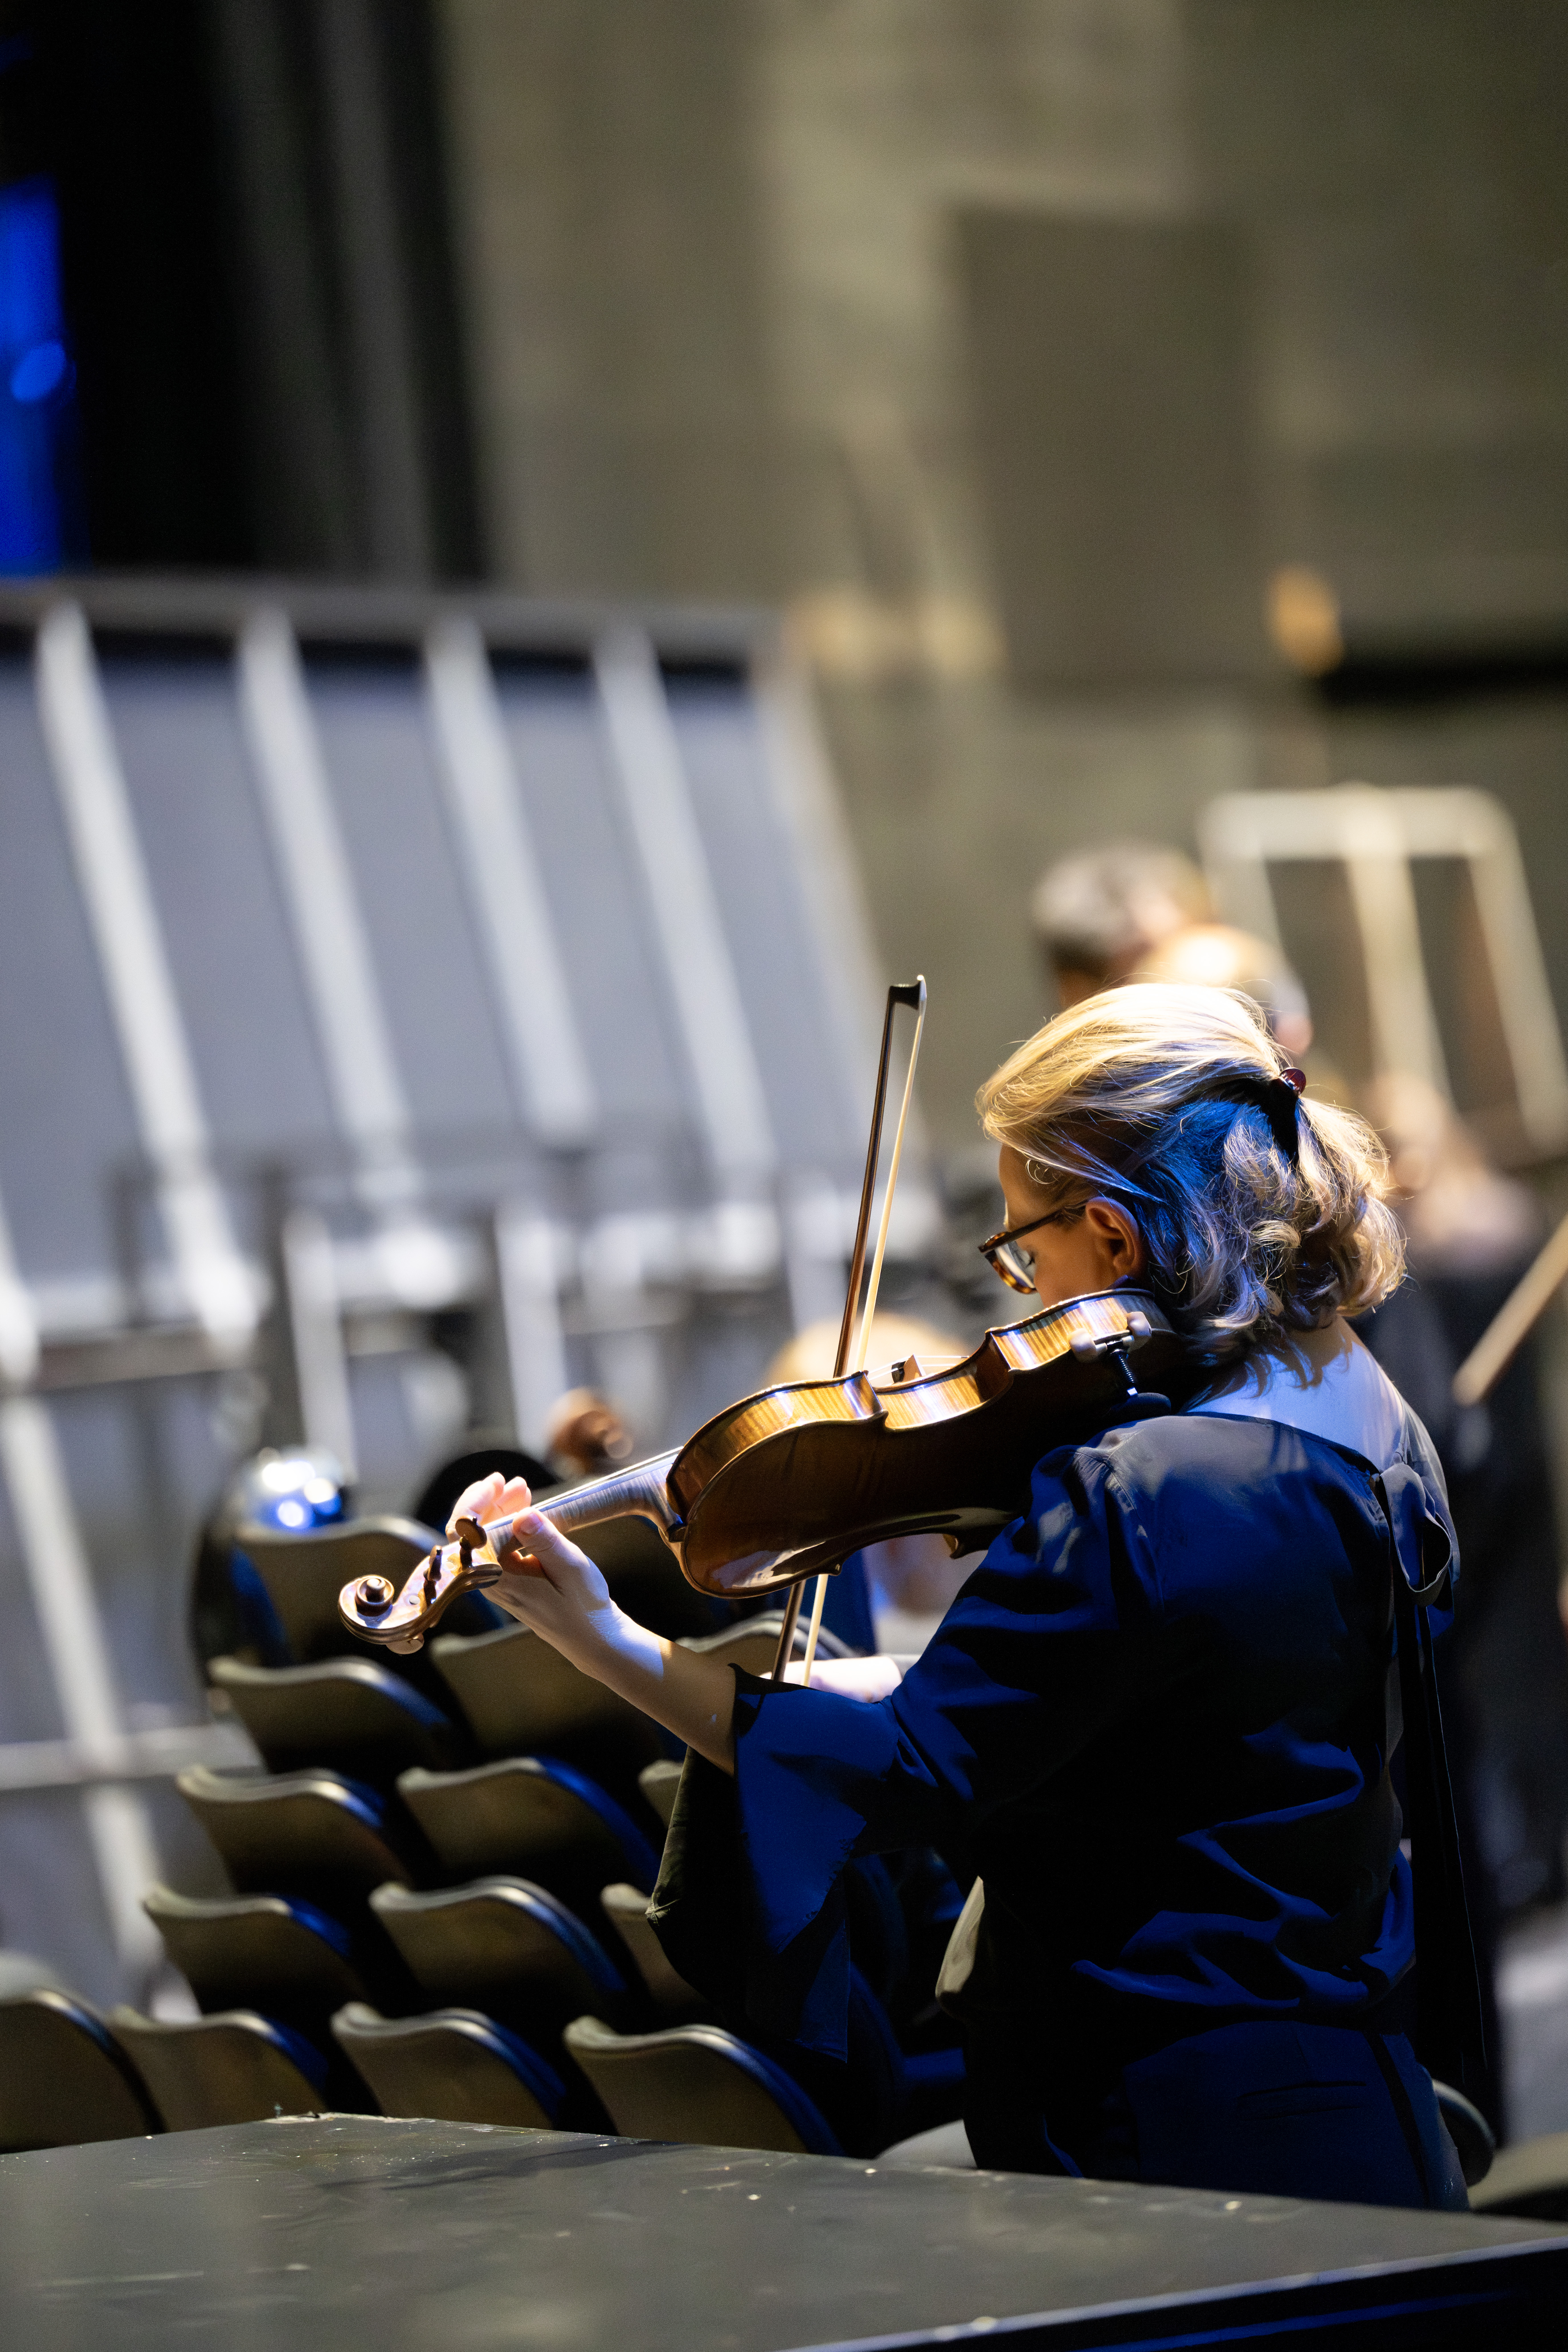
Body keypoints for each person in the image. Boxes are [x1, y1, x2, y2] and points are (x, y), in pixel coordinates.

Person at [445, 985, 1467, 2207]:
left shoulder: (1141, 1487)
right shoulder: (1365, 1426)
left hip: (1163, 2136)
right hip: (1347, 2099)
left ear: (1114, 1237)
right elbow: (1138, 1714)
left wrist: (601, 1636)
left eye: (1022, 1249)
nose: (1022, 1295)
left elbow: (910, 1769)